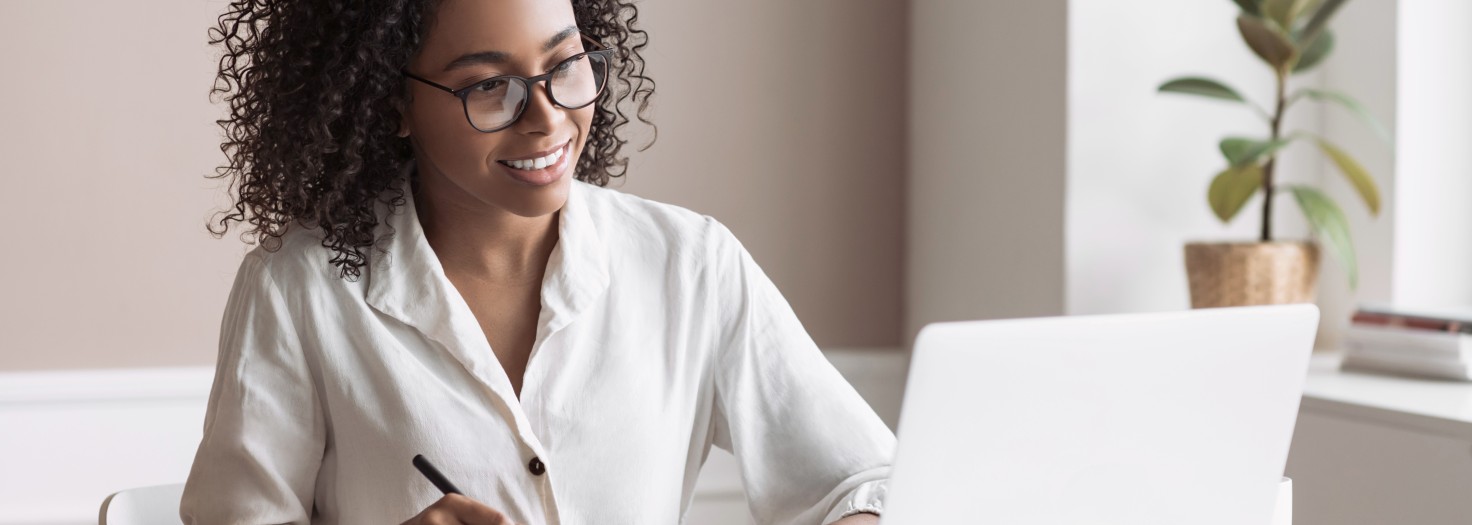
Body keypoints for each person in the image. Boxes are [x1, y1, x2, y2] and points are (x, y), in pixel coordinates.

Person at [179, 0, 894, 523]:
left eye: (565, 65)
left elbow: (858, 479)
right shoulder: (299, 290)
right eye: (490, 85)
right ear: (391, 101)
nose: (547, 117)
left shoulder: (691, 265)